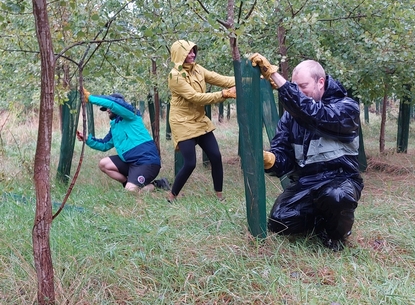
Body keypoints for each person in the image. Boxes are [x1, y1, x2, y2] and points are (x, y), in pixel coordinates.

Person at [249, 53, 363, 251]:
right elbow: (284, 155)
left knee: (336, 196)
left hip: (340, 179)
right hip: (307, 184)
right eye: (295, 87)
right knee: (280, 221)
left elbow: (316, 115)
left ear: (321, 82)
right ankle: (322, 220)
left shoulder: (346, 108)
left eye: (303, 87)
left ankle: (336, 234)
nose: (299, 92)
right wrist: (270, 159)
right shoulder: (290, 118)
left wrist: (277, 79)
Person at [167, 40, 236, 202]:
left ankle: (219, 196)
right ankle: (172, 196)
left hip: (199, 120)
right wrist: (224, 94)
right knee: (190, 163)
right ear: (179, 55)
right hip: (182, 122)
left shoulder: (198, 69)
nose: (192, 55)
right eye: (188, 52)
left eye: (193, 51)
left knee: (215, 156)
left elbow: (222, 80)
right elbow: (195, 98)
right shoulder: (174, 76)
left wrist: (250, 77)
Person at [77, 90, 168, 193]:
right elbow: (104, 144)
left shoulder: (131, 114)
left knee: (131, 192)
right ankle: (128, 184)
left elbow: (113, 103)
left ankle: (158, 184)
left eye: (108, 108)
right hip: (129, 162)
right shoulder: (115, 126)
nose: (107, 111)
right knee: (104, 164)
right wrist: (87, 139)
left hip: (146, 161)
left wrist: (90, 98)